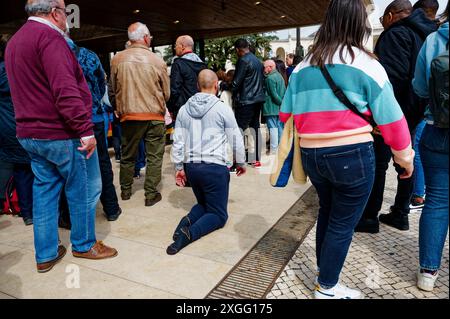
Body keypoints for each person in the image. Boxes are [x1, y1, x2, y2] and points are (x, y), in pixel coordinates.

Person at [280, 0, 414, 299]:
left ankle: (323, 274)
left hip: (312, 155)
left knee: (327, 213)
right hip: (352, 154)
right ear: (358, 24)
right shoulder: (367, 64)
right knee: (342, 223)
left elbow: (285, 115)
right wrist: (405, 159)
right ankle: (327, 287)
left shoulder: (302, 66)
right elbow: (393, 120)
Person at [5, 0, 117, 273]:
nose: (67, 17)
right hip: (60, 132)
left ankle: (45, 253)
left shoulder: (15, 42)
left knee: (44, 191)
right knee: (85, 189)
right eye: (66, 12)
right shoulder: (51, 39)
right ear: (55, 13)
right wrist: (85, 130)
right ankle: (84, 243)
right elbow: (65, 90)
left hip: (29, 133)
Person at [356, 0, 438, 233]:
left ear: (391, 15)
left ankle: (370, 217)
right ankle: (401, 212)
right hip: (416, 110)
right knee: (406, 161)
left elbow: (391, 80)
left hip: (393, 112)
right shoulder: (427, 34)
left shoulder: (396, 34)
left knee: (379, 162)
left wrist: (381, 115)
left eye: (383, 20)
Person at [168, 69, 246, 255]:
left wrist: (179, 167)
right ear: (216, 85)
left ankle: (186, 222)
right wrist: (241, 162)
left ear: (197, 86)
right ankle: (189, 233)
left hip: (192, 167)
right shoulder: (222, 108)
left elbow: (177, 140)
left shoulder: (184, 109)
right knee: (218, 215)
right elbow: (236, 138)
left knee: (205, 205)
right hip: (214, 167)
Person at [110, 22, 170, 206]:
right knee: (154, 156)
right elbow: (166, 93)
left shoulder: (117, 60)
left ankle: (126, 191)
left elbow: (113, 88)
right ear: (145, 38)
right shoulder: (158, 61)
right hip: (154, 116)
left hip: (129, 115)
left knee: (127, 155)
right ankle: (150, 194)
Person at [65, 36, 122, 222]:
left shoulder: (50, 55)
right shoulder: (88, 56)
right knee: (102, 162)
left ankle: (67, 216)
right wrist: (91, 101)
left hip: (65, 120)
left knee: (67, 169)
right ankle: (111, 208)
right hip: (92, 116)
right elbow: (99, 85)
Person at [412, 3, 448, 292]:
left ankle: (428, 273)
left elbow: (421, 88)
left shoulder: (434, 39)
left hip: (437, 128)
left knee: (436, 201)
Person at [0, 35, 34, 226]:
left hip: (6, 128)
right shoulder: (20, 70)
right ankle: (33, 209)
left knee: (21, 170)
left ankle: (27, 212)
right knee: (34, 169)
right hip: (24, 126)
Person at [232, 38, 265, 168]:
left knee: (238, 130)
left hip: (246, 100)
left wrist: (225, 86)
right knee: (255, 129)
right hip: (258, 99)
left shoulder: (243, 60)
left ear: (237, 50)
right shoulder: (257, 61)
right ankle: (256, 159)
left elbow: (236, 82)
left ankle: (237, 162)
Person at [167, 35, 207, 120]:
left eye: (176, 45)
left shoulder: (178, 64)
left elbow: (174, 90)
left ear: (182, 47)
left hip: (184, 110)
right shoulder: (203, 65)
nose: (175, 48)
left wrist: (170, 108)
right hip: (202, 109)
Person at [263, 60, 286, 154]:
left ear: (270, 67)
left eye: (264, 67)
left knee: (272, 128)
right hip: (279, 107)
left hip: (271, 107)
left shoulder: (270, 78)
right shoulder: (279, 76)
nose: (263, 69)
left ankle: (273, 149)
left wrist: (280, 103)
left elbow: (274, 94)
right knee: (279, 127)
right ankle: (281, 147)